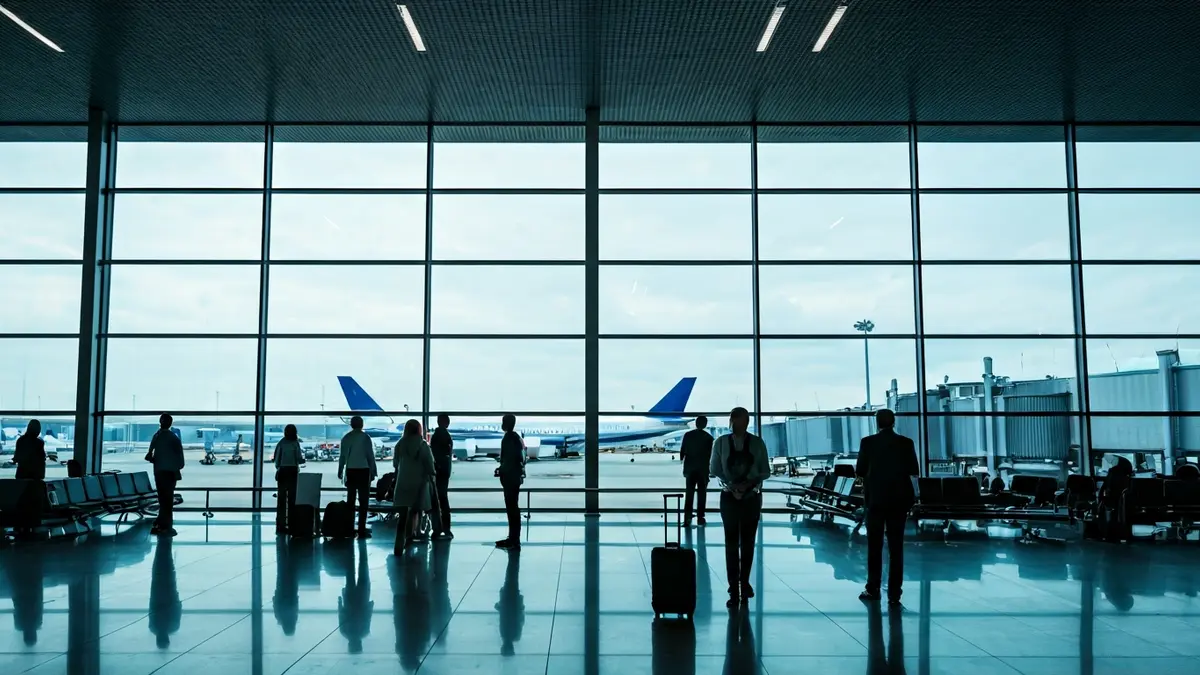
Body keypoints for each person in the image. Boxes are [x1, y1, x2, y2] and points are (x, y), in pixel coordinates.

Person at [855, 408, 919, 606]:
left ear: (877, 423)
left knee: (874, 546)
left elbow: (860, 471)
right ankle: (894, 594)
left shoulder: (868, 442)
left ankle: (873, 588)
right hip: (899, 501)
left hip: (875, 501)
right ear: (894, 422)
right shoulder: (906, 443)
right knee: (896, 547)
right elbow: (913, 471)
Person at [709, 407, 770, 608]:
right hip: (746, 497)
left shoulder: (722, 443)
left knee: (737, 543)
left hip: (737, 497)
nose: (738, 424)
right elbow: (764, 472)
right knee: (740, 543)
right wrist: (745, 486)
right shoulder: (756, 443)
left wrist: (733, 486)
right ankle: (738, 583)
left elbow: (715, 470)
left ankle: (738, 584)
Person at [392, 419, 436, 554]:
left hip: (403, 482)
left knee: (403, 515)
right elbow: (430, 465)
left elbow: (395, 463)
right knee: (416, 510)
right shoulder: (423, 445)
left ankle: (399, 543)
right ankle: (413, 535)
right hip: (419, 483)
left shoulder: (400, 444)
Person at [338, 416, 378, 539]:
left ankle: (349, 527)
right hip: (364, 471)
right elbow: (370, 455)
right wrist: (374, 471)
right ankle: (361, 529)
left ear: (351, 425)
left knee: (351, 500)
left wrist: (340, 471)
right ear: (361, 424)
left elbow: (342, 457)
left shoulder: (346, 438)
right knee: (363, 501)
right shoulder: (366, 437)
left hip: (351, 471)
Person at [146, 414, 185, 537]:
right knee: (168, 501)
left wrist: (159, 460)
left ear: (160, 422)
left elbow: (149, 456)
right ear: (170, 423)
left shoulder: (156, 436)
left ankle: (161, 523)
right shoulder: (173, 438)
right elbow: (180, 458)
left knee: (162, 499)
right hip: (169, 473)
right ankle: (166, 526)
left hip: (159, 472)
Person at [496, 414, 525, 550]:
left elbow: (508, 460)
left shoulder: (508, 439)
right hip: (515, 476)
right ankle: (514, 537)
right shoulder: (517, 438)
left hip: (509, 478)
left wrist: (500, 469)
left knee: (511, 508)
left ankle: (513, 539)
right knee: (514, 508)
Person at [680, 415, 714, 527]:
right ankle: (700, 517)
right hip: (702, 470)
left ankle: (687, 518)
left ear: (696, 423)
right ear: (705, 424)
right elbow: (710, 455)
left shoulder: (688, 435)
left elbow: (682, 452)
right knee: (702, 494)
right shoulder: (708, 438)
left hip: (690, 469)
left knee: (689, 494)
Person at [273, 424, 306, 536]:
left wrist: (279, 467)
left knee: (281, 500)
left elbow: (276, 460)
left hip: (283, 471)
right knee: (292, 499)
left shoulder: (281, 443)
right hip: (293, 472)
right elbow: (299, 459)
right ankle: (292, 523)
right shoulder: (295, 443)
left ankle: (280, 524)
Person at [430, 414, 454, 540]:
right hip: (444, 472)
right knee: (443, 500)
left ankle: (437, 528)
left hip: (438, 472)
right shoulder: (447, 436)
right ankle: (446, 528)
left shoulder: (436, 436)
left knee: (436, 500)